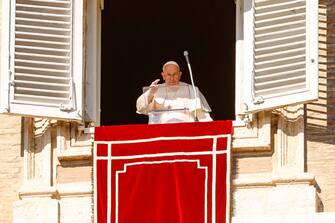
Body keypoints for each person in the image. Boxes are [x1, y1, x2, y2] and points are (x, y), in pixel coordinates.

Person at [136, 61, 213, 124]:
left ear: (180, 75)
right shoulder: (155, 89)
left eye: (175, 74)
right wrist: (150, 93)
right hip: (161, 132)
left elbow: (203, 116)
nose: (172, 78)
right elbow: (140, 108)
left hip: (186, 130)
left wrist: (211, 128)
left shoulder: (191, 89)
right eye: (168, 75)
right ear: (163, 75)